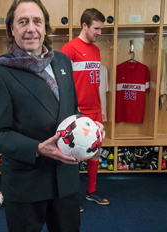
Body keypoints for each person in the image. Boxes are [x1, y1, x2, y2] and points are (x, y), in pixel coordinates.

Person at [0, 0, 104, 231]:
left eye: (37, 21)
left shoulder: (62, 61)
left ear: (45, 27)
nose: (31, 28)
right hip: (26, 183)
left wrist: (89, 126)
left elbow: (71, 111)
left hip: (65, 180)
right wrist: (38, 148)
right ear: (12, 28)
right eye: (23, 21)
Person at [61, 8, 109, 211]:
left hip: (95, 109)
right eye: (96, 28)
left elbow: (96, 83)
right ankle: (70, 196)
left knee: (95, 151)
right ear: (85, 26)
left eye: (101, 29)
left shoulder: (96, 50)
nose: (100, 33)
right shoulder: (68, 49)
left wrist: (102, 108)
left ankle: (91, 191)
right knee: (73, 155)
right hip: (77, 112)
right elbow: (63, 85)